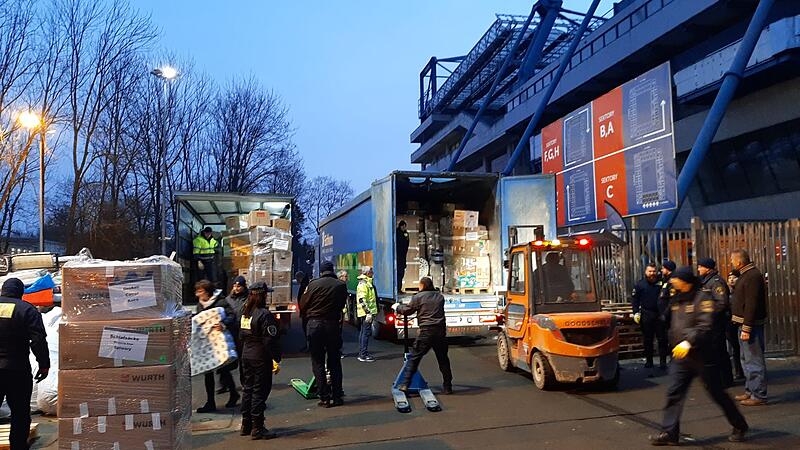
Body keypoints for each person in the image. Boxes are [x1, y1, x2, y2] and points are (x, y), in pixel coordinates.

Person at [649, 267, 748, 446]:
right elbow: (671, 319)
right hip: (680, 355)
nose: (672, 281)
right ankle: (670, 432)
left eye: (676, 279)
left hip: (702, 354)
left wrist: (689, 342)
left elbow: (705, 325)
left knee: (716, 393)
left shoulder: (702, 297)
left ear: (685, 281)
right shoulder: (677, 296)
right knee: (674, 392)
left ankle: (739, 425)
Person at [0, 278, 49, 450]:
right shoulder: (26, 309)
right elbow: (38, 340)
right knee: (20, 414)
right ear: (21, 292)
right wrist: (44, 364)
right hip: (17, 370)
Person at [299, 261, 347, 408]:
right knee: (334, 361)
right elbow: (341, 305)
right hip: (332, 325)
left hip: (315, 325)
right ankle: (337, 396)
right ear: (332, 270)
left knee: (318, 361)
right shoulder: (340, 285)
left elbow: (303, 303)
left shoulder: (313, 284)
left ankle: (324, 397)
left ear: (321, 271)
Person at [393, 277, 453, 395]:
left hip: (426, 331)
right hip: (440, 332)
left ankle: (405, 383)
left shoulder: (418, 297)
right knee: (443, 360)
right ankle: (448, 386)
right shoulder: (440, 297)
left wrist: (397, 307)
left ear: (423, 286)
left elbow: (407, 311)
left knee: (414, 358)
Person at [238, 282, 281, 440]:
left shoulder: (246, 312)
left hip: (246, 354)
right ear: (262, 295)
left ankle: (246, 424)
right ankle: (258, 427)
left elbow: (241, 335)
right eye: (266, 294)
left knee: (247, 389)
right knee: (259, 390)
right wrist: (276, 357)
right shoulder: (264, 314)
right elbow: (269, 340)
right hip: (260, 356)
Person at [729, 249, 768, 406]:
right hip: (743, 324)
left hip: (749, 326)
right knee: (746, 359)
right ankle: (750, 390)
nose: (731, 263)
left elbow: (751, 304)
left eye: (732, 260)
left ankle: (758, 394)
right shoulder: (746, 275)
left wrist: (746, 328)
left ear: (739, 262)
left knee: (754, 360)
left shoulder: (752, 276)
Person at [195, 279, 239, 413]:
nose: (198, 294)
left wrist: (223, 324)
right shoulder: (200, 305)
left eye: (200, 291)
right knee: (207, 372)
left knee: (223, 370)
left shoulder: (220, 302)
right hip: (207, 343)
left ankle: (233, 394)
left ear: (207, 291)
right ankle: (210, 402)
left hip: (220, 342)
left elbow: (232, 315)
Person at [697, 258, 737, 387]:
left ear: (707, 268)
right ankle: (718, 379)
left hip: (716, 322)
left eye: (700, 267)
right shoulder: (706, 281)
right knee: (713, 352)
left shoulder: (716, 282)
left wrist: (708, 314)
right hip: (710, 323)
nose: (698, 269)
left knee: (719, 351)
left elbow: (721, 303)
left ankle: (725, 380)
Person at [632, 263, 669, 370]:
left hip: (660, 315)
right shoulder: (640, 284)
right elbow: (635, 299)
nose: (652, 273)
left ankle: (663, 362)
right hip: (646, 315)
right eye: (650, 271)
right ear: (645, 272)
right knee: (648, 339)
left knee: (662, 339)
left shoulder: (662, 282)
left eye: (654, 271)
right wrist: (635, 312)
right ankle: (649, 361)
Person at [220, 276, 249, 394]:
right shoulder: (228, 299)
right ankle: (224, 384)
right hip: (230, 332)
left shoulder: (248, 298)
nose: (236, 288)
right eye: (235, 286)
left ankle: (244, 383)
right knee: (226, 360)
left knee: (243, 359)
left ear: (244, 286)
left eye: (239, 286)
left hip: (242, 333)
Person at [356, 266, 378, 362]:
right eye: (371, 271)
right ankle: (363, 355)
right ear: (367, 273)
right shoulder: (364, 284)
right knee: (365, 333)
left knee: (363, 332)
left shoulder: (366, 282)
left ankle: (362, 353)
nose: (373, 273)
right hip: (366, 313)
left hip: (365, 313)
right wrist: (368, 312)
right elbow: (362, 299)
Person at [296, 271, 310, 352]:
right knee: (306, 329)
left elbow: (303, 299)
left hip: (306, 312)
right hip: (305, 311)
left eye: (297, 278)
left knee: (306, 329)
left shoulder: (305, 285)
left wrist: (303, 311)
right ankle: (308, 345)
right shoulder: (305, 284)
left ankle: (309, 346)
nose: (297, 281)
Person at [396, 220, 410, 292]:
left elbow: (407, 242)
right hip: (398, 256)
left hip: (403, 256)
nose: (404, 228)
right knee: (398, 273)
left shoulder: (405, 233)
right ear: (400, 226)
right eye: (403, 226)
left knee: (401, 273)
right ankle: (397, 288)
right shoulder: (397, 233)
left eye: (405, 226)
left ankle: (399, 288)